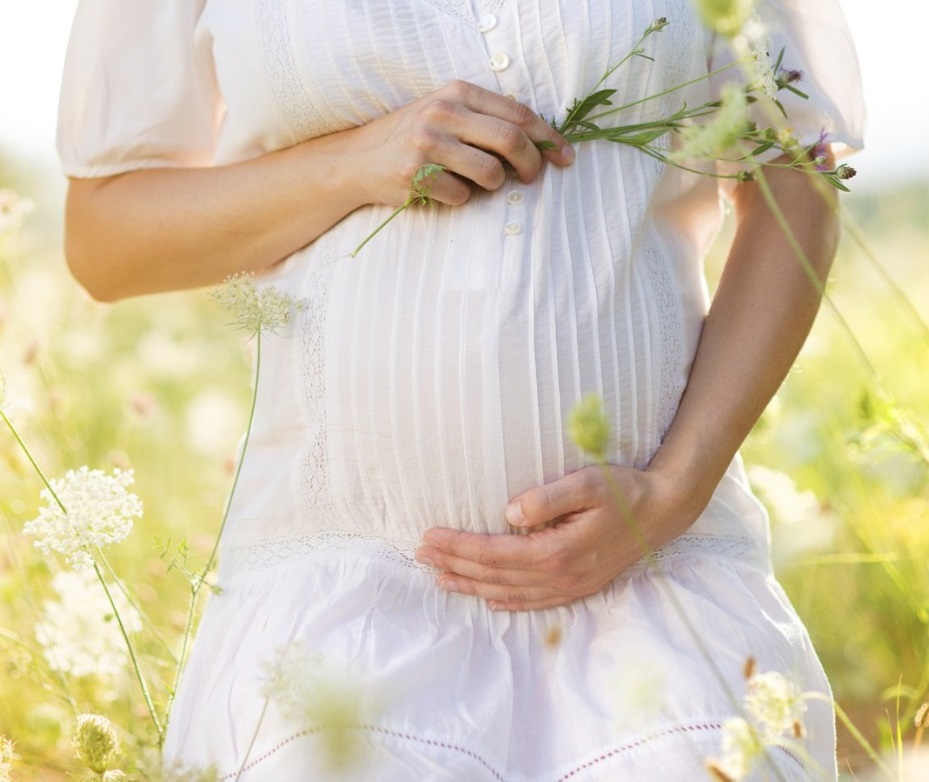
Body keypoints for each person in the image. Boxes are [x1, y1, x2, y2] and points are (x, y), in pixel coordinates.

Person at [58, 0, 865, 779]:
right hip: (345, 597)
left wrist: (673, 490)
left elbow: (797, 178)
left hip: (655, 579)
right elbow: (106, 239)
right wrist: (351, 163)